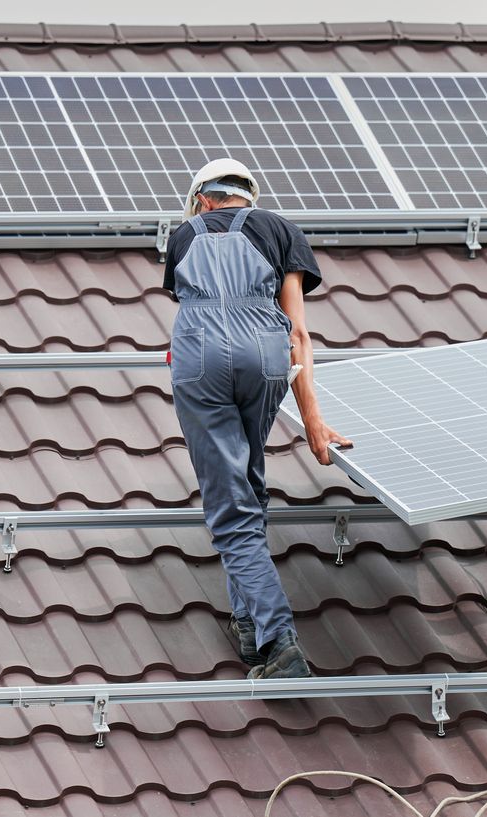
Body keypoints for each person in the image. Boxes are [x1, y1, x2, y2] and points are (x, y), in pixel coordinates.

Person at [164, 158, 352, 680]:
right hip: (266, 356)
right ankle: (248, 626)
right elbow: (299, 335)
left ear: (203, 199)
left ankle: (278, 638)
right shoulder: (280, 229)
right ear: (249, 195)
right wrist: (313, 419)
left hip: (198, 358)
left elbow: (196, 309)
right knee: (246, 484)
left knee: (229, 509)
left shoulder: (183, 237)